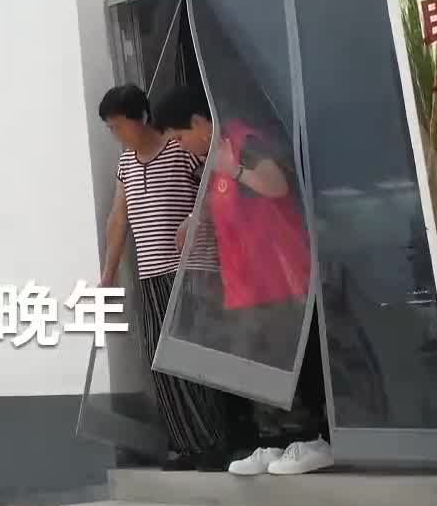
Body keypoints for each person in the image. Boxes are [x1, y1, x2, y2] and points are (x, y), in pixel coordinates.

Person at [153, 86, 332, 476]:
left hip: (278, 277)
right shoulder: (213, 161)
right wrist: (194, 220)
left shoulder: (242, 141)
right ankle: (272, 441)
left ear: (199, 122)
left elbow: (275, 184)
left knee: (289, 362)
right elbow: (221, 203)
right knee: (255, 366)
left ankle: (310, 440)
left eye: (180, 137)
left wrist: (231, 168)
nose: (182, 146)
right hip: (243, 284)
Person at [97, 83, 238, 471]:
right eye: (111, 128)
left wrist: (196, 218)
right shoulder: (126, 164)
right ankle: (187, 445)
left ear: (141, 117)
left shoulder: (180, 148)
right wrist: (108, 273)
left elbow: (216, 185)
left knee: (197, 355)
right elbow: (118, 219)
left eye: (119, 124)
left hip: (193, 269)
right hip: (151, 273)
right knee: (163, 361)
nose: (116, 133)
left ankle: (217, 442)